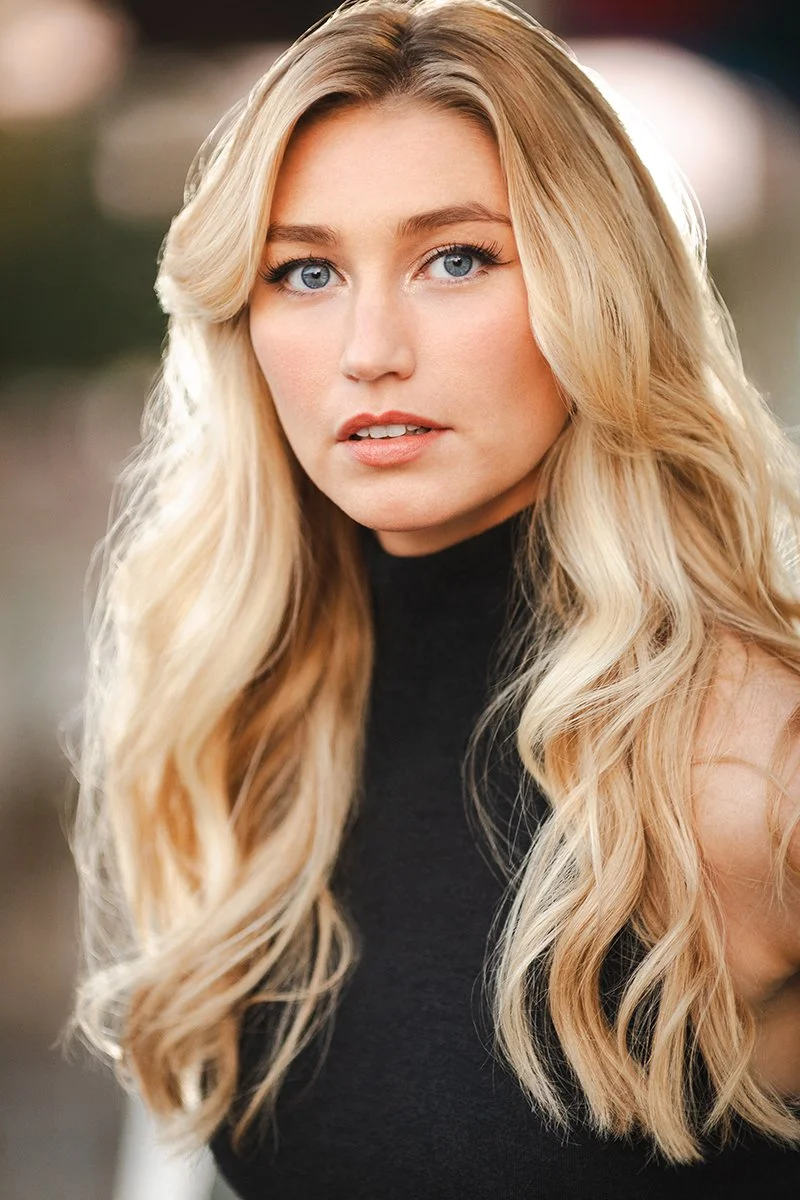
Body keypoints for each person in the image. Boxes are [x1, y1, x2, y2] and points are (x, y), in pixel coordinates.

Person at [63, 0, 800, 1195]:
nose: (367, 348)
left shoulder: (749, 759)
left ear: (592, 286)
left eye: (454, 258)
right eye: (303, 272)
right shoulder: (251, 721)